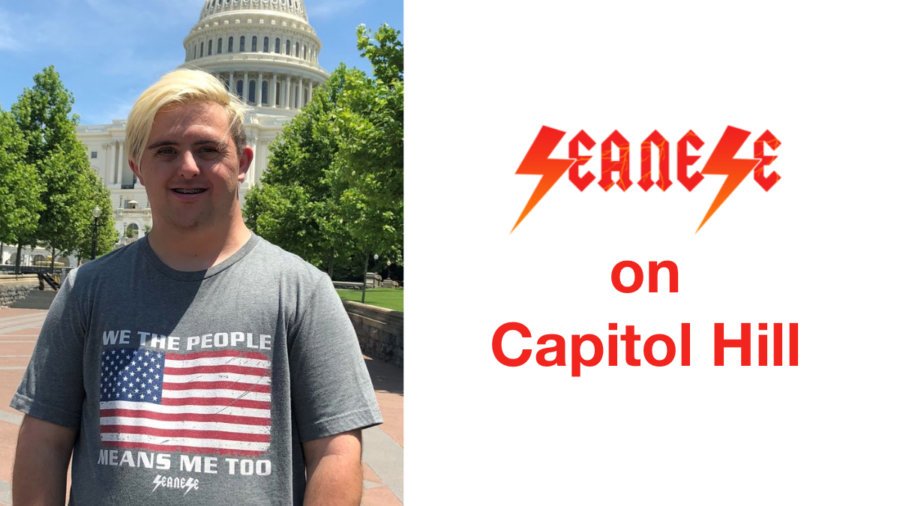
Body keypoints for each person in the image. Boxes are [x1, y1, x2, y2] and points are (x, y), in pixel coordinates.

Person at [10, 69, 382, 505]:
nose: (187, 167)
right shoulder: (87, 289)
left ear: (243, 162)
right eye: (166, 150)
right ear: (137, 167)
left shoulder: (303, 291)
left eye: (208, 149)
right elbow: (44, 440)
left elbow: (335, 452)